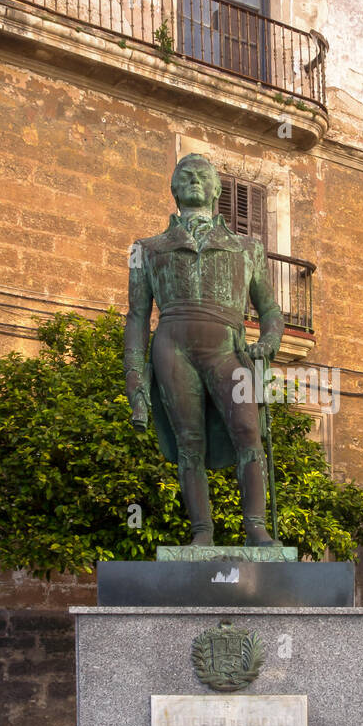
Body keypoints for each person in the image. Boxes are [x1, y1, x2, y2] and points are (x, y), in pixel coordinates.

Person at [124, 154, 284, 546]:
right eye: (186, 175)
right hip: (172, 347)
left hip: (228, 348)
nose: (195, 180)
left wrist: (268, 341)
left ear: (216, 190)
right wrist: (133, 373)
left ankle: (256, 529)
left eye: (203, 176)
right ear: (174, 188)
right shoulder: (146, 248)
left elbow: (271, 311)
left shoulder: (247, 248)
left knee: (249, 431)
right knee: (188, 441)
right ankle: (201, 533)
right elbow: (136, 316)